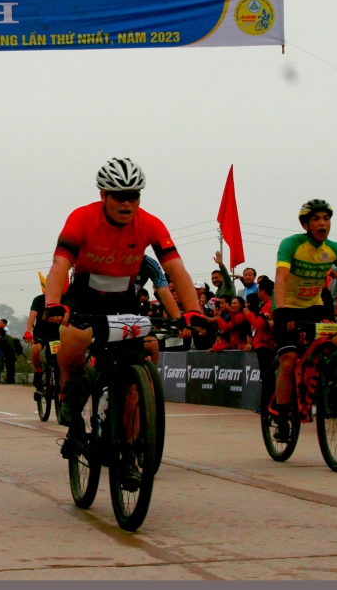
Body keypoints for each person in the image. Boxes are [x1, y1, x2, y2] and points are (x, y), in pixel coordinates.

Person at [42, 158, 202, 490]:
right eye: (119, 195)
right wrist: (53, 304)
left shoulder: (151, 224)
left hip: (123, 301)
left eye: (134, 195)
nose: (127, 202)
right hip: (84, 296)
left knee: (144, 357)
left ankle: (129, 452)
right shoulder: (81, 218)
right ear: (103, 195)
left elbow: (175, 269)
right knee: (72, 342)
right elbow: (59, 265)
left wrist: (193, 311)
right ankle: (71, 394)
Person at [270, 200, 337, 443]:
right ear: (306, 224)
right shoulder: (292, 244)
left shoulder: (335, 248)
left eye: (326, 218)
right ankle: (283, 419)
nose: (322, 223)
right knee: (288, 360)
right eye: (316, 219)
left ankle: (333, 386)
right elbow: (281, 278)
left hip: (314, 306)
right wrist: (282, 312)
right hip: (287, 306)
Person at [243, 278, 275, 410]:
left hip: (265, 345)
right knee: (268, 376)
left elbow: (259, 325)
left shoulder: (269, 305)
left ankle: (267, 405)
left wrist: (248, 315)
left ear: (262, 291)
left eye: (258, 290)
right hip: (266, 344)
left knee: (268, 377)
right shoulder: (270, 304)